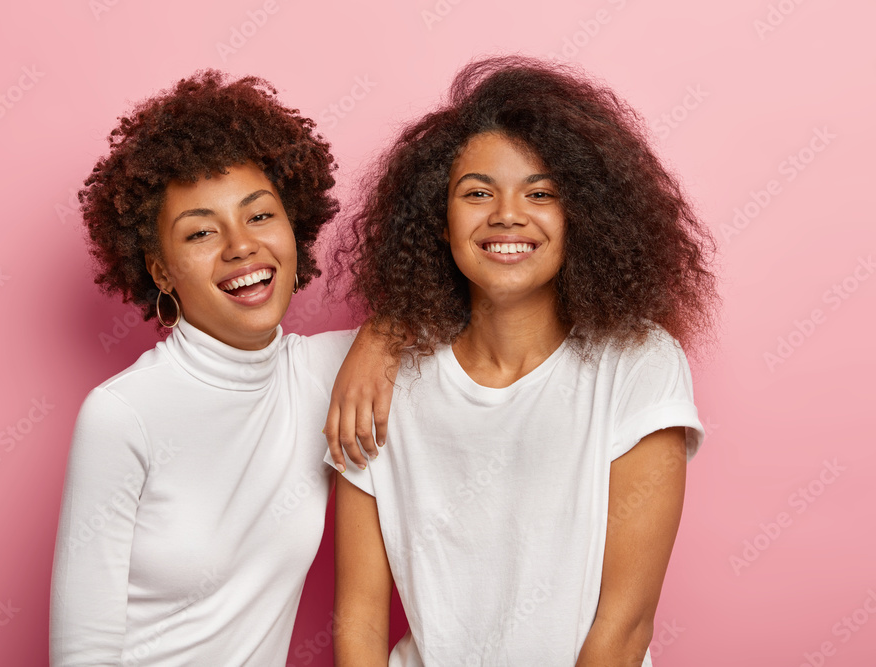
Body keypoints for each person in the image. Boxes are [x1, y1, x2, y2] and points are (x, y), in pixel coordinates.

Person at [327, 56, 718, 666]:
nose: (507, 214)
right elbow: (358, 620)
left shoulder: (638, 364)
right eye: (478, 192)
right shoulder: (380, 380)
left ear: (582, 215)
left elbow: (625, 626)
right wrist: (382, 332)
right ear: (438, 217)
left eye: (541, 193)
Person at [50, 69, 360, 665]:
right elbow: (83, 651)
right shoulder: (122, 414)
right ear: (160, 270)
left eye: (261, 216)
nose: (240, 246)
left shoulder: (325, 375)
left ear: (296, 228)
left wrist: (378, 342)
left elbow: (438, 325)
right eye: (199, 232)